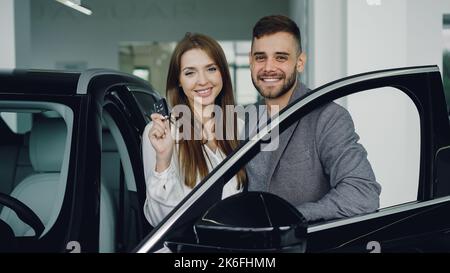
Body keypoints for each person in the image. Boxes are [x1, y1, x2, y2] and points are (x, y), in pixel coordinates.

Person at [245, 15, 381, 222]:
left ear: (299, 62)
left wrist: (289, 218)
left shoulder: (328, 117)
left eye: (280, 57)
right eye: (260, 57)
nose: (268, 67)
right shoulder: (243, 120)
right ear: (251, 61)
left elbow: (362, 193)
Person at [142, 33, 246, 227]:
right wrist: (163, 159)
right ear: (179, 81)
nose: (203, 81)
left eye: (211, 69)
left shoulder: (238, 127)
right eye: (190, 72)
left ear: (222, 73)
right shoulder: (161, 133)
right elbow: (160, 222)